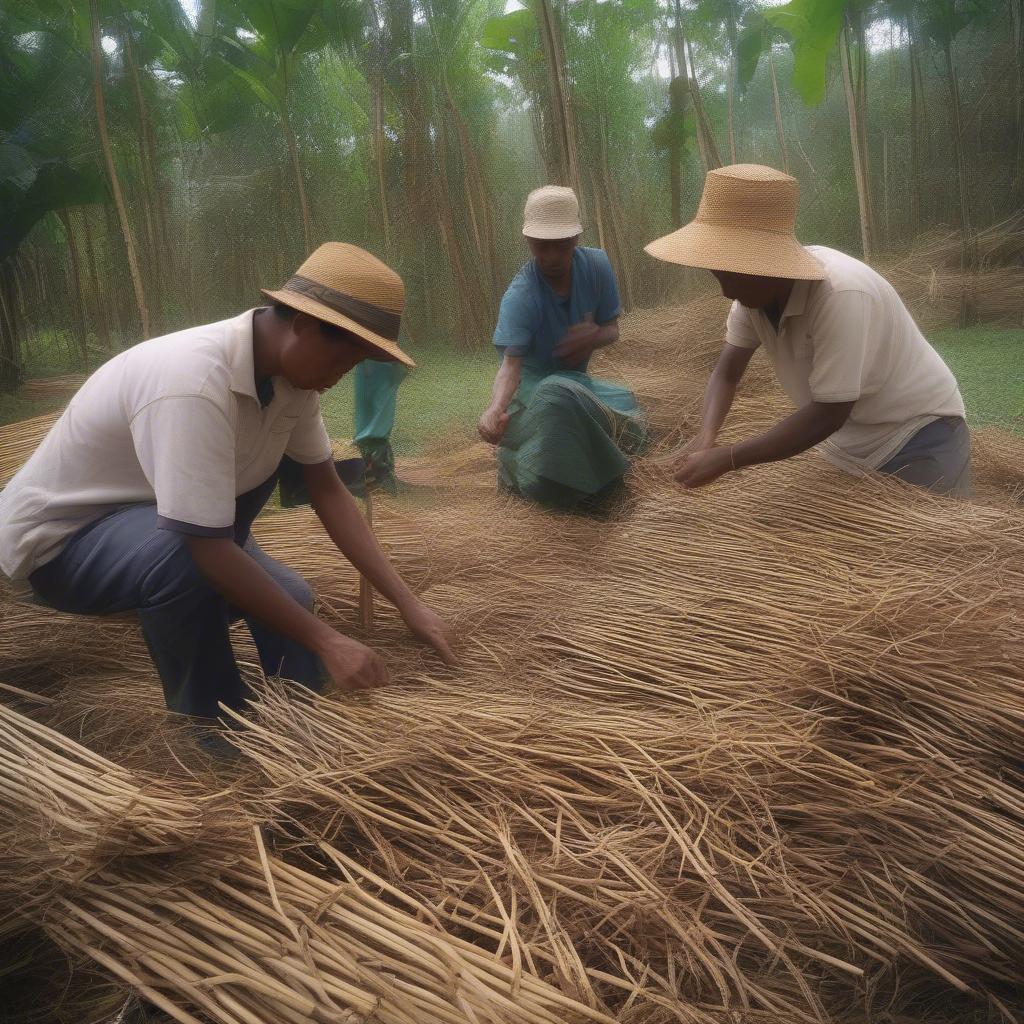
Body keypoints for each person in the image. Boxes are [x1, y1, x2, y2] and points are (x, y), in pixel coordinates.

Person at [0, 243, 456, 722]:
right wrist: (330, 641)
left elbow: (327, 491)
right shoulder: (192, 382)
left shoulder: (291, 381)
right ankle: (214, 726)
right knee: (186, 560)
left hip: (156, 526)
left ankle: (307, 720)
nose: (343, 376)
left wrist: (410, 605)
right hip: (64, 546)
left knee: (292, 596)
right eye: (346, 361)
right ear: (305, 326)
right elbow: (204, 548)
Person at [645, 164, 970, 496]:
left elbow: (829, 413)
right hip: (847, 444)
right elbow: (728, 371)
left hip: (917, 433)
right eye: (719, 276)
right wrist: (706, 436)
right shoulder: (750, 298)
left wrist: (727, 458)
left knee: (927, 541)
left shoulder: (841, 294)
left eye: (731, 275)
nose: (726, 291)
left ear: (768, 266)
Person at [478, 186, 647, 509]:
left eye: (561, 245)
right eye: (542, 247)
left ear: (576, 239)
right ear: (528, 242)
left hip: (576, 387)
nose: (552, 257)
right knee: (557, 397)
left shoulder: (597, 267)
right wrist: (494, 409)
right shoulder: (521, 296)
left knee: (629, 410)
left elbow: (612, 330)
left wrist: (594, 336)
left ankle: (577, 468)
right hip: (531, 399)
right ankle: (523, 468)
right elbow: (511, 367)